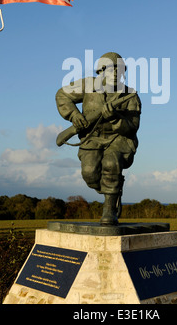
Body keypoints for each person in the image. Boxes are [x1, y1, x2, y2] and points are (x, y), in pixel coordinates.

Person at [55, 52, 141, 225]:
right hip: (91, 137)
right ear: (101, 71)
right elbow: (62, 95)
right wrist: (74, 115)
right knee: (90, 174)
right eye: (111, 68)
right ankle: (114, 190)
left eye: (120, 68)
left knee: (111, 164)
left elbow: (133, 126)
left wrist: (116, 118)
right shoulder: (87, 84)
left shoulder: (130, 95)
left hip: (119, 139)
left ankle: (109, 209)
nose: (116, 72)